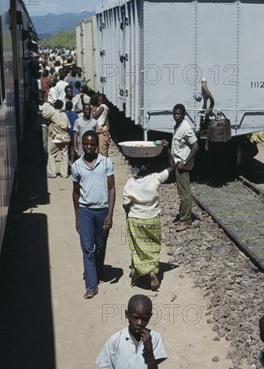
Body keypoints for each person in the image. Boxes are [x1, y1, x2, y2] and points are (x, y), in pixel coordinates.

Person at [122, 144, 175, 290]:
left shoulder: (129, 184)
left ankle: (144, 271)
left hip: (136, 219)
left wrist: (129, 210)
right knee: (152, 246)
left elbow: (125, 204)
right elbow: (172, 167)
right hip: (153, 218)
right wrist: (167, 150)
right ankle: (152, 269)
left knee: (138, 248)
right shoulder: (155, 178)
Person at [72, 130, 115, 299]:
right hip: (86, 211)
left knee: (101, 245)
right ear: (82, 144)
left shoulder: (106, 163)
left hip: (103, 211)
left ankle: (99, 270)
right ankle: (91, 285)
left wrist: (110, 214)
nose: (88, 147)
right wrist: (77, 217)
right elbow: (75, 193)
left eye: (92, 144)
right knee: (88, 249)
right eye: (85, 144)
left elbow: (111, 188)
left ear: (97, 145)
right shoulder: (76, 166)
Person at [96, 295, 167, 369]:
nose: (139, 323)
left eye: (144, 319)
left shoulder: (154, 337)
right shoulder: (115, 340)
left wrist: (149, 349)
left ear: (150, 317)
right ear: (127, 314)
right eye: (135, 318)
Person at [171, 104, 199, 232]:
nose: (176, 115)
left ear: (183, 114)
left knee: (185, 194)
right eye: (175, 113)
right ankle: (183, 216)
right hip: (178, 163)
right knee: (182, 192)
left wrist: (185, 161)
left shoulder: (186, 128)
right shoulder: (178, 126)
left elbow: (195, 146)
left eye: (179, 113)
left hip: (183, 164)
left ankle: (186, 221)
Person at [40, 99, 70, 178]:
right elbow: (68, 127)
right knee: (65, 156)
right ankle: (64, 173)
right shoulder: (64, 115)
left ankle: (52, 173)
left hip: (55, 138)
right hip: (65, 138)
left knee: (52, 155)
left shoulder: (53, 112)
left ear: (55, 106)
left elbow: (43, 114)